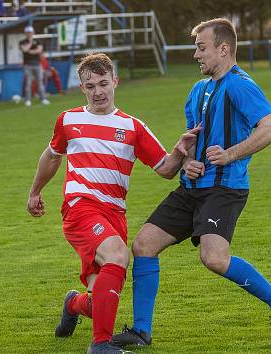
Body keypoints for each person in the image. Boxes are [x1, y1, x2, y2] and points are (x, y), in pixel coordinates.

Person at [111, 18, 271, 348]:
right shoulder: (198, 90)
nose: (195, 54)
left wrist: (229, 154)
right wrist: (187, 161)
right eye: (196, 48)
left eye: (202, 48)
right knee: (144, 245)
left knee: (214, 258)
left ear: (223, 49)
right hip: (192, 188)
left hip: (226, 188)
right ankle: (141, 331)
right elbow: (192, 141)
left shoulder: (240, 85)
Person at [27, 53, 200, 354]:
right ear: (82, 88)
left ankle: (73, 304)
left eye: (103, 83)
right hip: (80, 209)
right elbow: (52, 156)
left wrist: (180, 151)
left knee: (100, 302)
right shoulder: (68, 120)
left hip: (114, 216)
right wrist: (34, 192)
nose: (98, 92)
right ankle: (101, 346)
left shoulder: (133, 128)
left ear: (115, 82)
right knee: (120, 255)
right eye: (90, 85)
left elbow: (165, 169)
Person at [20, 26, 49, 107]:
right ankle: (28, 100)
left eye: (31, 32)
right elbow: (24, 50)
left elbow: (39, 50)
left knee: (40, 82)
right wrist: (30, 43)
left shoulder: (38, 41)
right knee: (28, 83)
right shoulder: (22, 42)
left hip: (37, 64)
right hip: (27, 65)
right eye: (28, 33)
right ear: (25, 33)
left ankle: (43, 99)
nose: (29, 34)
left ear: (33, 33)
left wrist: (30, 51)